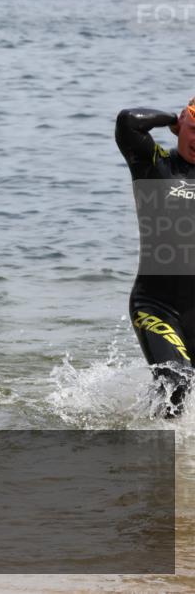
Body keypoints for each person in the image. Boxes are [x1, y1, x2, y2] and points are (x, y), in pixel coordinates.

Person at [115, 98, 195, 418]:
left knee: (174, 390)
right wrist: (170, 118)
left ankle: (141, 429)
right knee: (177, 383)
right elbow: (128, 121)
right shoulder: (155, 164)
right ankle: (156, 458)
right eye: (194, 129)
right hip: (158, 306)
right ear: (181, 126)